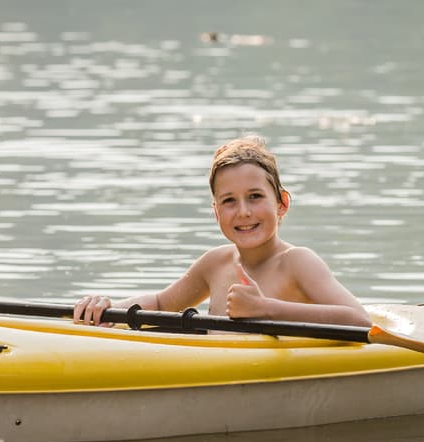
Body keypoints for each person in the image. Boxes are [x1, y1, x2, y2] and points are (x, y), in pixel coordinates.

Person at [73, 136, 369, 327]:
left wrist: (266, 308)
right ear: (216, 212)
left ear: (282, 203)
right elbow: (162, 304)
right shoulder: (215, 263)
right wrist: (109, 310)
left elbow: (359, 320)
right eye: (229, 201)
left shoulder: (297, 261)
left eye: (255, 196)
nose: (243, 211)